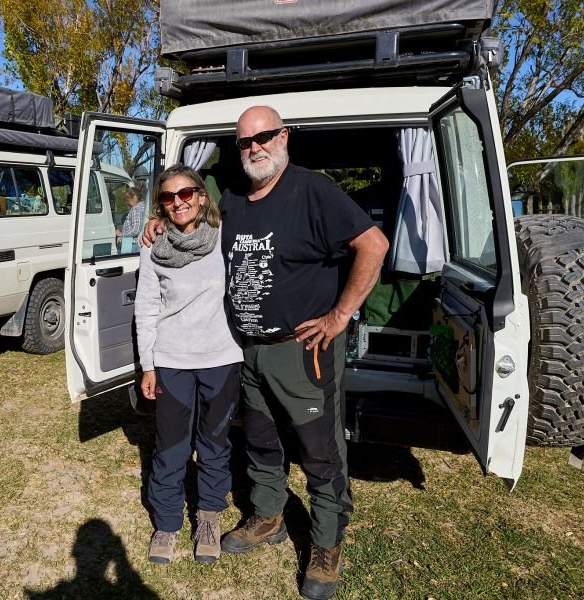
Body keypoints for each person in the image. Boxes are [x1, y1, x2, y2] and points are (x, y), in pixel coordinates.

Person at [142, 106, 388, 599]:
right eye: (245, 141)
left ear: (284, 138)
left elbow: (374, 244)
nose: (254, 147)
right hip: (246, 350)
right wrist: (155, 222)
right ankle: (268, 516)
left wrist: (340, 316)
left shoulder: (313, 190)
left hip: (301, 351)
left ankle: (325, 544)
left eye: (264, 137)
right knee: (261, 442)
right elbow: (190, 221)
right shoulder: (232, 198)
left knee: (320, 452)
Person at [134, 164, 243, 566]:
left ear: (200, 195)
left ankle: (209, 518)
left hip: (221, 358)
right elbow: (146, 308)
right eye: (167, 197)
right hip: (172, 361)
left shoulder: (226, 238)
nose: (177, 202)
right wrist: (148, 365)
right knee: (171, 446)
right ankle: (166, 523)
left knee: (214, 444)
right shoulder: (153, 244)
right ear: (160, 205)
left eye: (185, 194)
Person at [117, 186, 145, 252]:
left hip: (132, 244)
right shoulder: (143, 207)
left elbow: (135, 230)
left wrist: (121, 235)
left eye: (128, 200)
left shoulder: (135, 209)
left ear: (135, 198)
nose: (126, 203)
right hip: (134, 243)